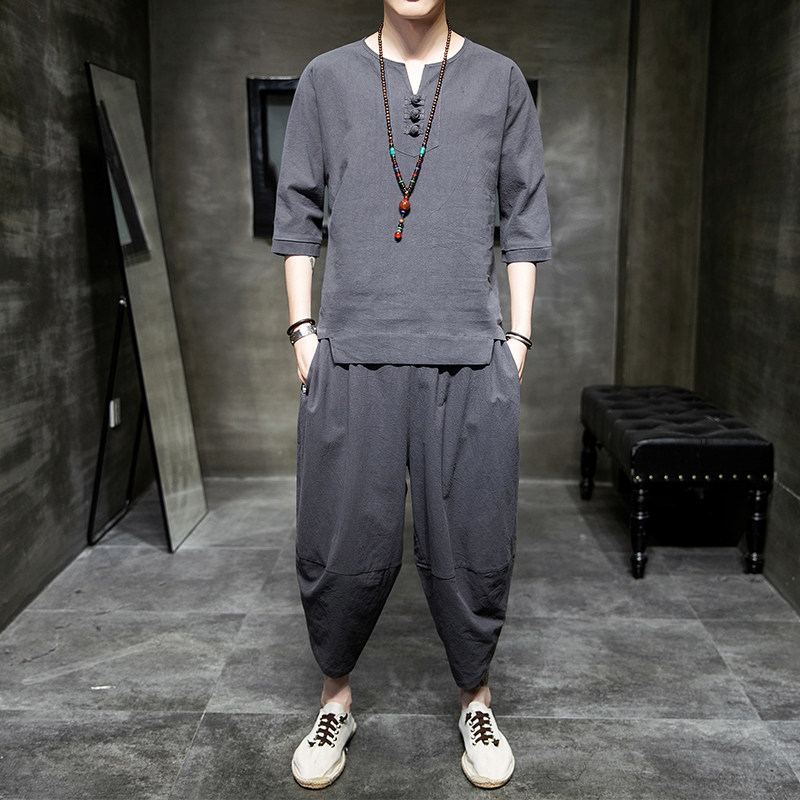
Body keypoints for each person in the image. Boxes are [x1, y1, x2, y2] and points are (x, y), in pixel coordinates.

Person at [272, 0, 550, 789]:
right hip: (353, 353)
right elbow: (298, 212)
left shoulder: (500, 81)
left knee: (475, 542)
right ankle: (335, 701)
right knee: (339, 543)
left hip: (468, 356)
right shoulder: (327, 79)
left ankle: (476, 702)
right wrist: (303, 332)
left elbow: (524, 219)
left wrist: (517, 343)